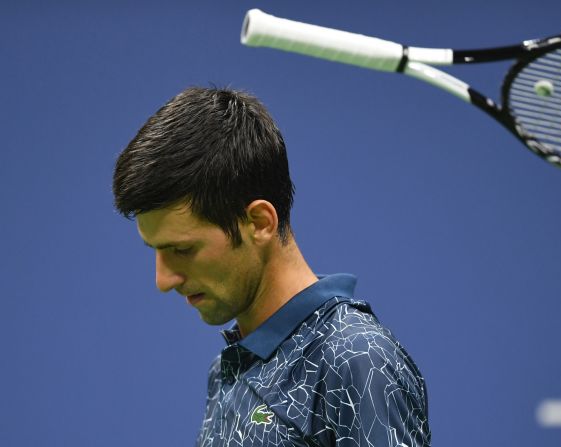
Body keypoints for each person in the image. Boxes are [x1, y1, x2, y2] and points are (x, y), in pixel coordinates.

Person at [112, 87, 431, 447]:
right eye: (155, 250)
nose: (163, 280)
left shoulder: (356, 358)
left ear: (260, 222)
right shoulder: (226, 371)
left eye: (182, 249)